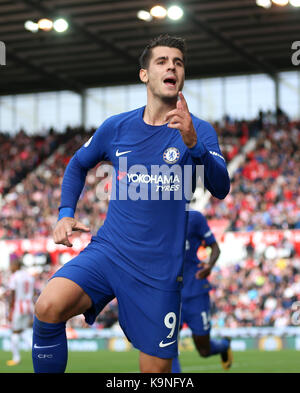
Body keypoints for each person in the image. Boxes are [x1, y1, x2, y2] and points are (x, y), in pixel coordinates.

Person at [32, 34, 230, 373]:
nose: (172, 66)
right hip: (110, 252)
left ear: (182, 76)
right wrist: (65, 214)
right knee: (48, 306)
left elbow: (221, 187)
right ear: (144, 75)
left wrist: (194, 144)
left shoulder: (199, 129)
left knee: (155, 375)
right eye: (162, 61)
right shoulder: (116, 127)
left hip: (159, 272)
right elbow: (78, 164)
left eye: (178, 63)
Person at [172, 210, 233, 372]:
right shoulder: (155, 217)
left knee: (204, 350)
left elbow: (215, 248)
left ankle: (224, 345)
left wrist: (209, 265)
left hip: (195, 291)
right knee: (168, 346)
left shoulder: (195, 218)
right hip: (169, 294)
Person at [6, 255, 34, 366]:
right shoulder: (29, 276)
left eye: (11, 265)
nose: (10, 267)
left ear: (16, 265)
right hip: (28, 305)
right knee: (23, 331)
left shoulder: (15, 276)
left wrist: (10, 309)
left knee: (14, 332)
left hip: (18, 305)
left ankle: (16, 358)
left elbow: (13, 293)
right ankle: (36, 352)